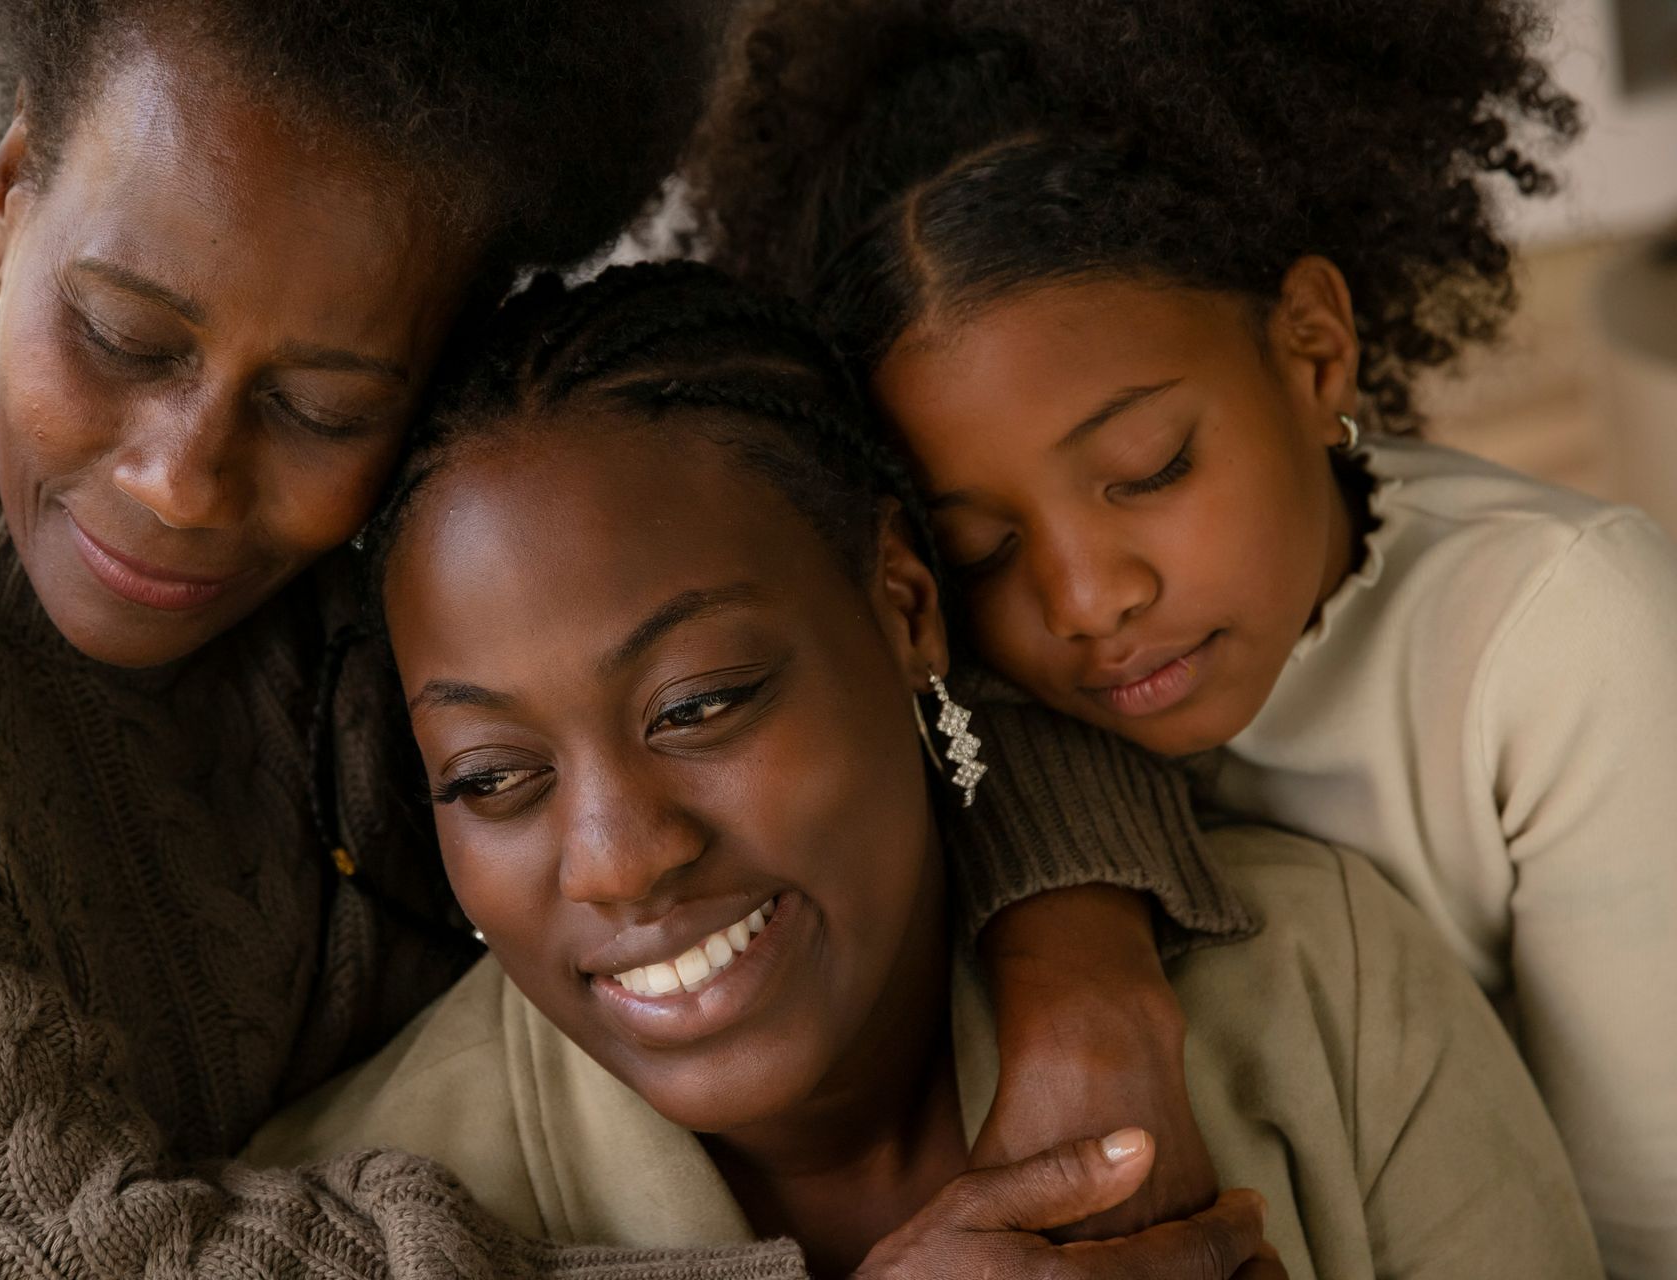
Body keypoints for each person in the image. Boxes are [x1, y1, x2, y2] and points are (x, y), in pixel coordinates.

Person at [0, 2, 1266, 1275]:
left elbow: (911, 611)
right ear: (13, 190)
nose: (182, 481)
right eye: (125, 339)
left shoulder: (455, 512)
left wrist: (1075, 961)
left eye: (323, 407)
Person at [247, 261, 1601, 1280]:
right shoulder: (354, 1219)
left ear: (905, 607)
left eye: (700, 704)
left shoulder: (1329, 995)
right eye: (491, 778)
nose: (615, 857)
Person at [681, 3, 1677, 1274]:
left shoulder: (1563, 637)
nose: (1087, 599)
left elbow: (1647, 1222)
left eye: (1149, 467)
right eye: (982, 547)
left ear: (1313, 351)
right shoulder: (956, 673)